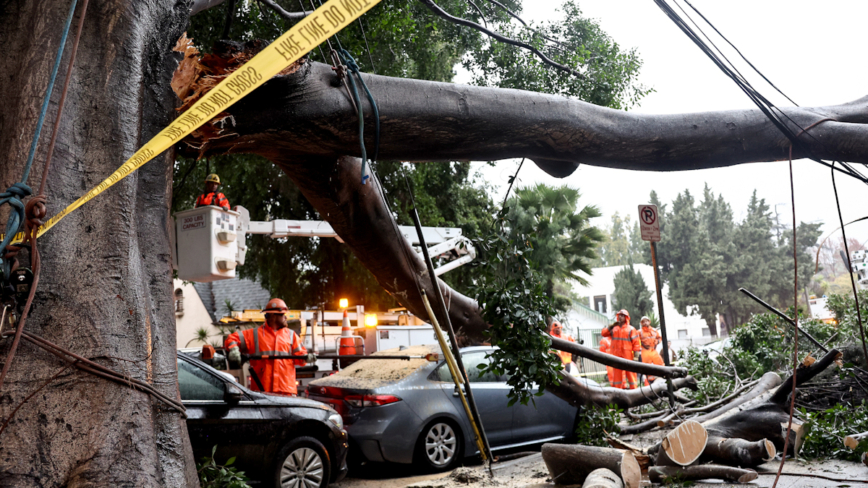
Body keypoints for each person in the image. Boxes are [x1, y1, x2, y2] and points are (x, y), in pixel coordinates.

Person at [224, 298, 312, 395]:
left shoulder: (291, 335)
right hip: (262, 391)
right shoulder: (254, 334)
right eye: (283, 314)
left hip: (286, 391)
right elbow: (231, 338)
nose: (286, 317)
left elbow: (300, 359)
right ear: (273, 316)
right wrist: (234, 349)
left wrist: (307, 358)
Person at [601, 309, 641, 389]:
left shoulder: (631, 329)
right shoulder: (614, 328)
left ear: (626, 317)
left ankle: (634, 391)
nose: (620, 317)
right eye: (619, 315)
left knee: (631, 375)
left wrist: (636, 356)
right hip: (616, 356)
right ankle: (617, 393)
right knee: (617, 376)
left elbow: (636, 343)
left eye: (622, 315)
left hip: (628, 356)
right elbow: (604, 333)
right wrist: (610, 326)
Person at [638, 316, 665, 385]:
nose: (645, 322)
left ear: (649, 321)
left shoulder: (654, 330)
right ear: (641, 323)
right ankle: (649, 382)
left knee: (660, 364)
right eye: (643, 321)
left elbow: (659, 338)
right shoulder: (639, 332)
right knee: (647, 367)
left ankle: (664, 377)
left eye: (646, 321)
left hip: (653, 350)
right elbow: (637, 341)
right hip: (645, 351)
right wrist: (643, 345)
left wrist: (657, 342)